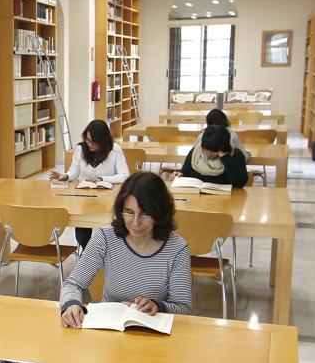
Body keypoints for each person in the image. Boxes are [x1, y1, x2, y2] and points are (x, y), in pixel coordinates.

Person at [59, 172, 192, 327]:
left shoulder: (177, 249)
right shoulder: (105, 238)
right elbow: (73, 284)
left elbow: (183, 308)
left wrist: (158, 306)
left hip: (153, 331)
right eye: (129, 212)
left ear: (160, 214)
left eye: (145, 214)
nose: (136, 223)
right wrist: (71, 304)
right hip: (110, 326)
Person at [48, 119, 131, 250]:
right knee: (81, 235)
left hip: (107, 200)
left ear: (102, 140)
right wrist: (65, 176)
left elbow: (125, 175)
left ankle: (100, 256)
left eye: (93, 141)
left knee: (112, 232)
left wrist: (101, 178)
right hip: (84, 199)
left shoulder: (115, 150)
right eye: (87, 140)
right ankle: (90, 255)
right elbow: (74, 172)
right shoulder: (80, 149)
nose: (89, 144)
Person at [179, 125, 249, 188]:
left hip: (225, 199)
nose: (209, 154)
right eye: (206, 150)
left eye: (213, 151)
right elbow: (185, 172)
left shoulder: (236, 155)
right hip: (196, 197)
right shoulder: (196, 152)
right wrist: (180, 175)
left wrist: (225, 157)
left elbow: (239, 183)